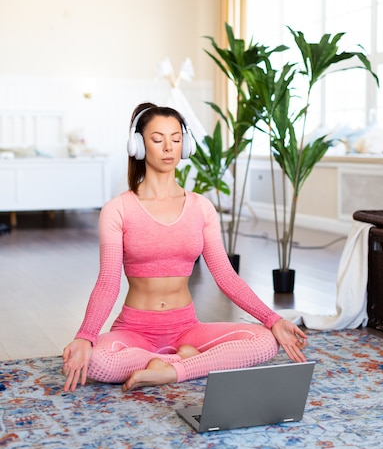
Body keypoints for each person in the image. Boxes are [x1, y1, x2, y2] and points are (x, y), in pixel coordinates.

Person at [62, 102, 307, 393]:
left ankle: (170, 370)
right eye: (157, 139)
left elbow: (226, 277)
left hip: (187, 329)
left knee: (265, 341)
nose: (168, 147)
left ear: (185, 145)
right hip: (135, 332)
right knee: (96, 361)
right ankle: (183, 362)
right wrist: (85, 335)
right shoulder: (118, 209)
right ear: (138, 145)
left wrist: (273, 318)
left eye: (176, 139)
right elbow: (108, 282)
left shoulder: (201, 208)